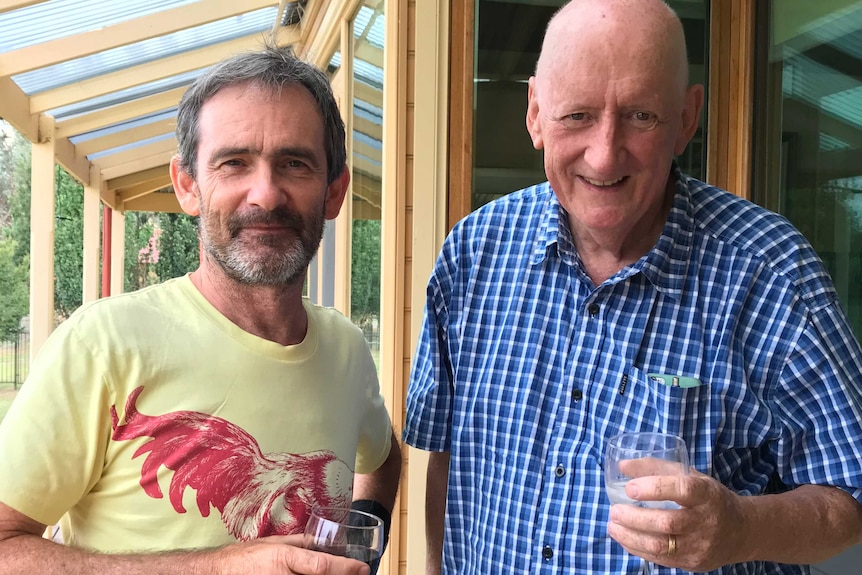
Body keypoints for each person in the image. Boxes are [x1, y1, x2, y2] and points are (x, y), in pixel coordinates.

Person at [402, 0, 862, 573]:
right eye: (576, 116)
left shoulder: (771, 273)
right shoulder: (472, 254)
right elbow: (444, 458)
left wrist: (739, 529)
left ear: (687, 118)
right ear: (535, 114)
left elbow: (848, 498)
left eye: (641, 116)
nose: (604, 153)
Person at [0, 44, 400, 575]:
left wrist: (363, 539)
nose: (266, 193)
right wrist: (214, 566)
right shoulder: (103, 342)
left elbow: (384, 456)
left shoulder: (347, 350)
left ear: (334, 191)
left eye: (295, 164)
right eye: (234, 163)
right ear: (188, 185)